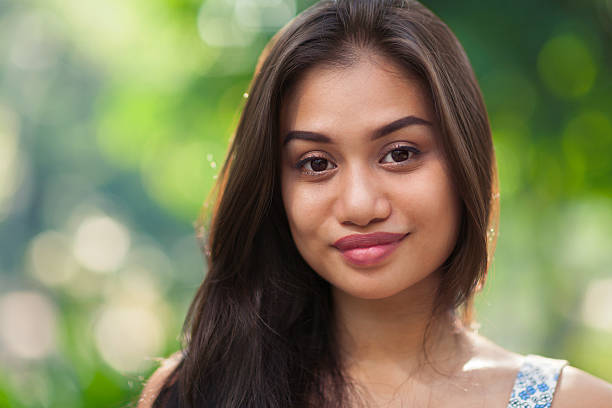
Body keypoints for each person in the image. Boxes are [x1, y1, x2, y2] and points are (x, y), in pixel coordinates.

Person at [139, 0, 612, 406]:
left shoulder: (571, 401)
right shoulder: (198, 392)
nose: (361, 205)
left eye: (400, 154)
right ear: (274, 188)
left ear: (466, 160)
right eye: (316, 163)